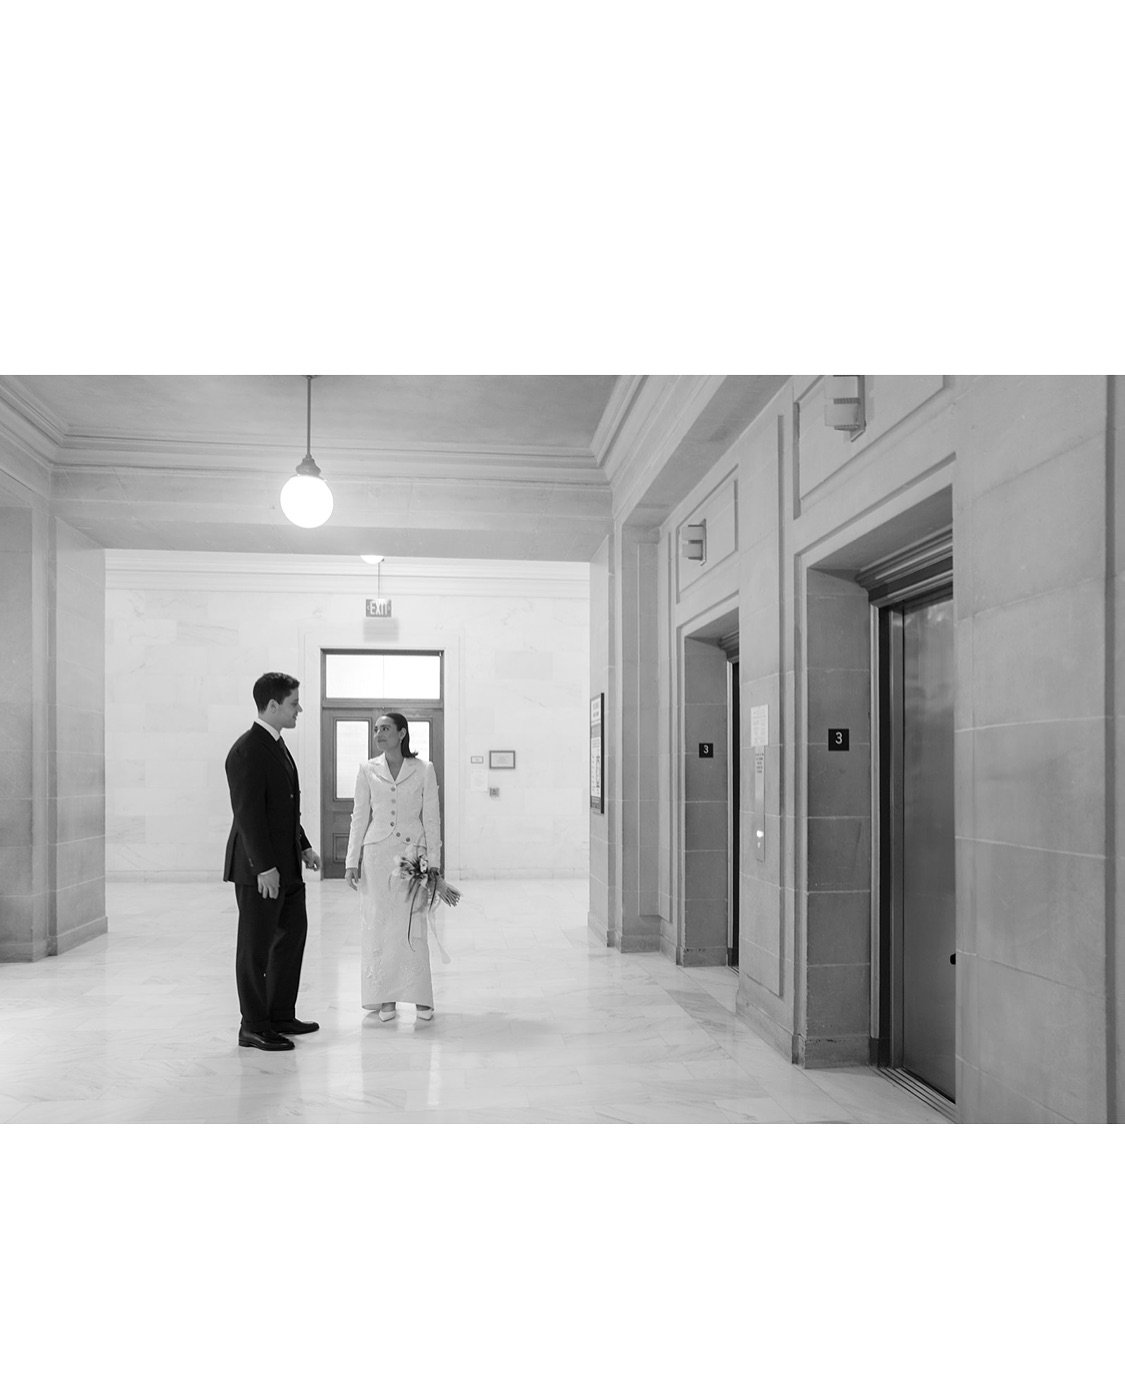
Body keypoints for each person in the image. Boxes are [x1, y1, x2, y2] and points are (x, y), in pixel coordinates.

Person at [224, 671, 322, 1051]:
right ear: (273, 705)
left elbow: (284, 809)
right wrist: (264, 866)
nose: (300, 709)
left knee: (291, 936)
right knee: (255, 947)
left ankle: (280, 1014)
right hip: (259, 870)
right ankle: (253, 1025)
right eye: (294, 703)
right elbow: (248, 814)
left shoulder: (277, 744)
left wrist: (304, 846)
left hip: (287, 866)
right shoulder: (247, 749)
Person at [344, 712, 441, 1021]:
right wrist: (351, 861)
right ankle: (385, 999)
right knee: (379, 924)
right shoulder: (367, 769)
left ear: (402, 733)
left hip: (414, 854)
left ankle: (420, 996)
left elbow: (432, 819)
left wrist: (435, 864)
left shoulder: (423, 769)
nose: (379, 733)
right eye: (376, 729)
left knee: (413, 924)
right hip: (376, 854)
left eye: (385, 728)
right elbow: (359, 816)